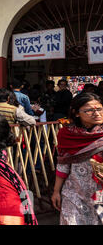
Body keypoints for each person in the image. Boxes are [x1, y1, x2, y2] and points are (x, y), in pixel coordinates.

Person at [51, 92, 103, 225]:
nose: (96, 113)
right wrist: (56, 191)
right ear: (76, 113)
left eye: (99, 109)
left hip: (99, 195)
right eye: (90, 110)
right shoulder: (67, 134)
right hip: (74, 193)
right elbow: (63, 164)